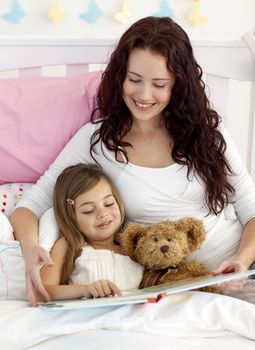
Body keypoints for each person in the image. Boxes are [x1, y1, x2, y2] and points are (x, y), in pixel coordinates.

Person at [11, 16, 255, 306]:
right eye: (134, 80)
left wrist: (241, 261)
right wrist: (30, 250)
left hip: (234, 278)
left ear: (178, 84)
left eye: (159, 84)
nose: (144, 95)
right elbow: (30, 205)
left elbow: (249, 208)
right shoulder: (98, 140)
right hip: (166, 291)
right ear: (120, 77)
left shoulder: (208, 135)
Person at [38, 163, 143, 301]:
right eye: (88, 210)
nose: (103, 213)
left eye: (109, 203)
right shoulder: (68, 245)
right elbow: (41, 292)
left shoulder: (134, 245)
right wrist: (86, 289)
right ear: (71, 216)